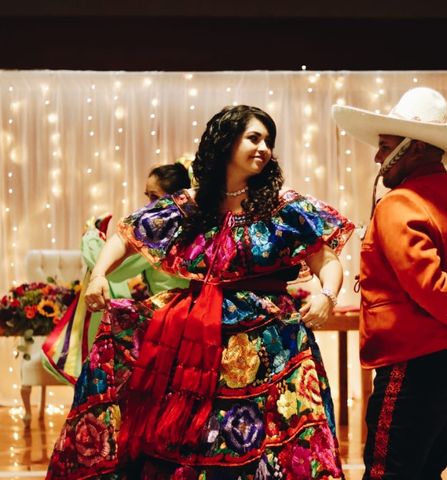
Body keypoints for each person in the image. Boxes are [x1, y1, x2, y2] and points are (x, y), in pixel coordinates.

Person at [46, 105, 354, 479]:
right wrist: (97, 276)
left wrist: (327, 295)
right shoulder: (192, 204)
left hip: (270, 341)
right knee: (199, 437)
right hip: (200, 336)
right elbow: (127, 234)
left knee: (277, 439)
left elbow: (327, 261)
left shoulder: (282, 207)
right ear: (226, 143)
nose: (264, 148)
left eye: (268, 141)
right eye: (254, 138)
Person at [331, 87, 447, 479]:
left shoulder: (400, 203)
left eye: (385, 146)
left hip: (419, 361)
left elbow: (429, 286)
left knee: (389, 473)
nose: (378, 157)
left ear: (412, 147)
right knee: (427, 471)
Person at [42, 164, 191, 385]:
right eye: (147, 196)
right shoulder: (191, 222)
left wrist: (91, 236)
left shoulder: (162, 230)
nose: (148, 204)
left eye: (154, 197)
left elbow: (117, 270)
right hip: (187, 320)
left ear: (174, 198)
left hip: (169, 325)